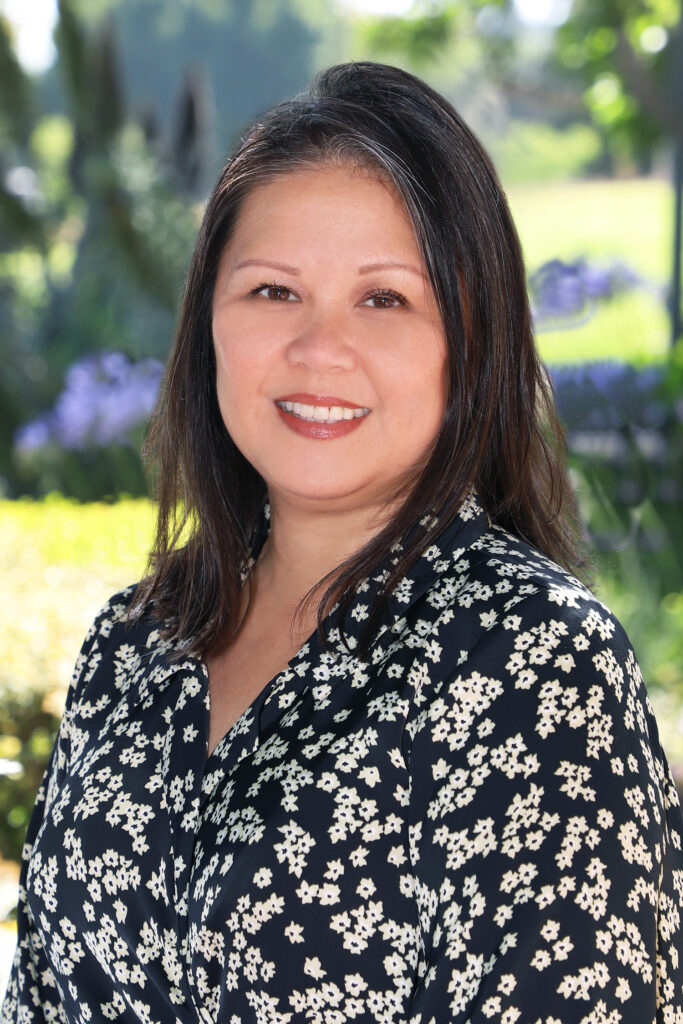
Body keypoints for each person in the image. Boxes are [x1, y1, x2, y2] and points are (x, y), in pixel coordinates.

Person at [2, 60, 682, 1024]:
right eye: (273, 291)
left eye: (383, 300)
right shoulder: (134, 644)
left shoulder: (534, 667)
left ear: (472, 337)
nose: (319, 350)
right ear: (208, 326)